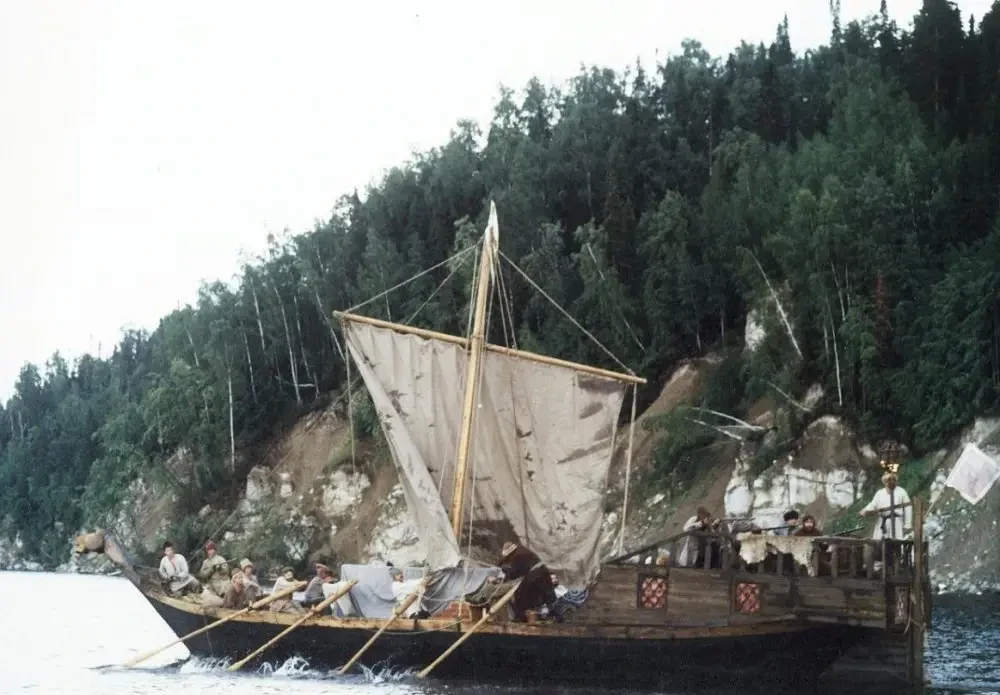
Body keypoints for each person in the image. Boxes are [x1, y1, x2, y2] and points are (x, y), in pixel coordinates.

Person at [495, 541, 556, 622]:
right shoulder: (522, 551)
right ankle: (550, 614)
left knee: (521, 595)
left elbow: (518, 572)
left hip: (536, 577)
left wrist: (505, 573)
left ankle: (524, 618)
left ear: (510, 554)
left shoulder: (519, 555)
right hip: (542, 574)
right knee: (547, 598)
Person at [859, 472, 912, 540]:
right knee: (879, 543)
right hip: (882, 522)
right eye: (888, 480)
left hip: (896, 523)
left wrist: (907, 524)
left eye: (893, 480)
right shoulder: (880, 493)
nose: (891, 482)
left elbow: (908, 507)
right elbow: (873, 504)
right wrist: (864, 510)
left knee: (895, 542)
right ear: (884, 482)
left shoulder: (901, 491)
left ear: (896, 481)